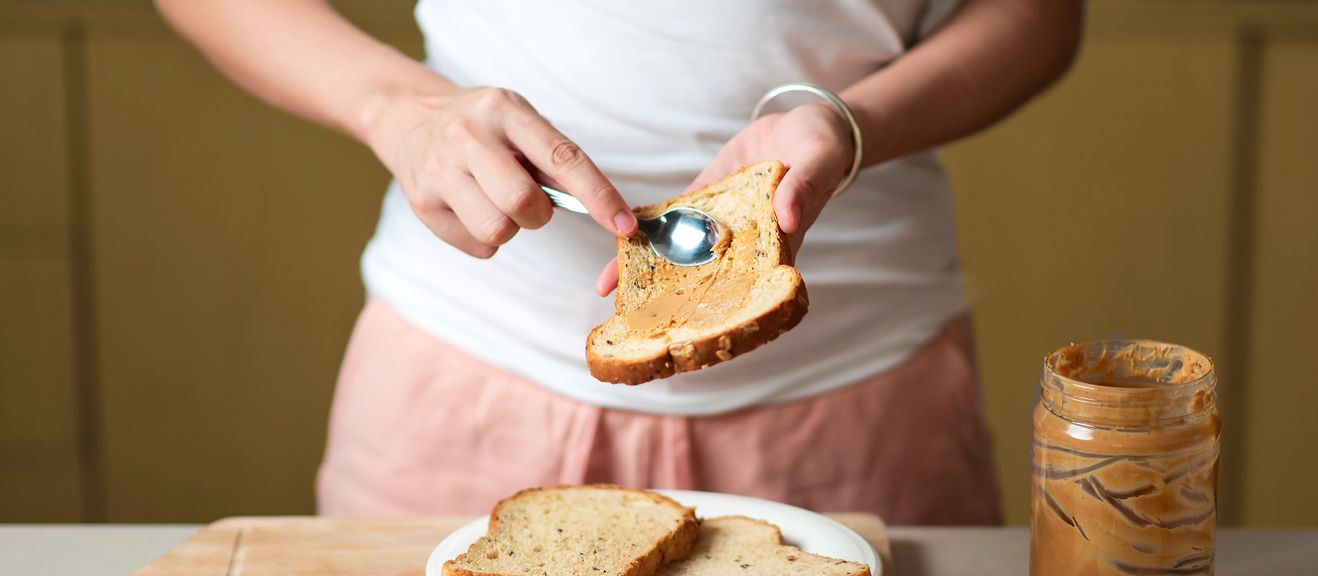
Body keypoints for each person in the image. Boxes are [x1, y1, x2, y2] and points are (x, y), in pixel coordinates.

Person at [156, 0, 1083, 525]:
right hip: (462, 387)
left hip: (862, 397)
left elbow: (1037, 16)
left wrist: (851, 122)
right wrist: (398, 109)